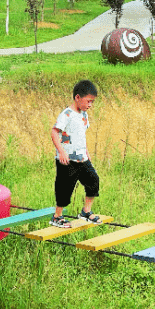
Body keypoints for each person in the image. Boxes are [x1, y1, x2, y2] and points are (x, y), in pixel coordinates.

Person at [50, 79, 102, 228]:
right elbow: (54, 132)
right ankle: (57, 216)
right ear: (77, 98)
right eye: (88, 101)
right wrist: (61, 152)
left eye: (92, 102)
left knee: (93, 180)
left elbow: (81, 135)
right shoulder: (67, 114)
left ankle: (86, 211)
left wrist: (86, 152)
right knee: (65, 187)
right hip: (66, 159)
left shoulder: (84, 115)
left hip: (82, 158)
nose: (90, 105)